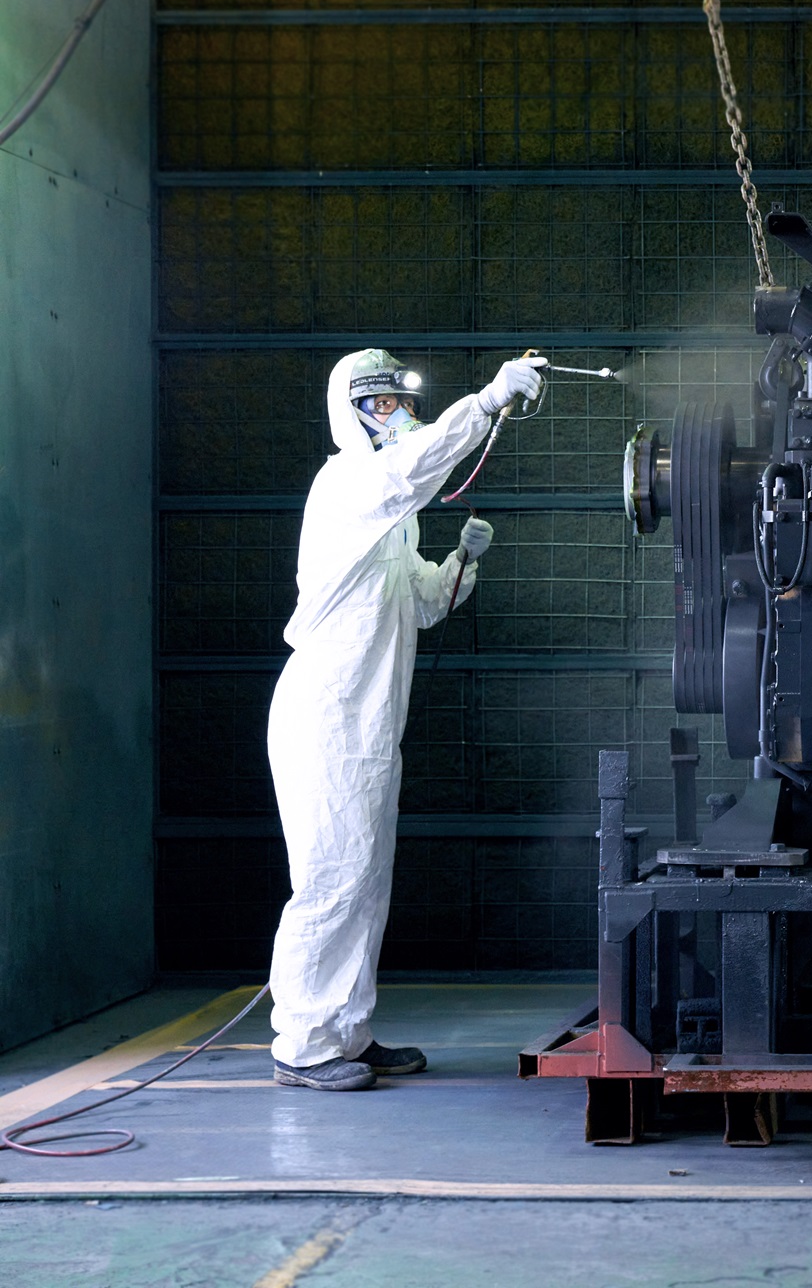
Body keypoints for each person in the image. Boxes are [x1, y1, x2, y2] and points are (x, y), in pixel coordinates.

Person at [265, 348, 544, 1091]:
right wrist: (485, 403)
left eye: (403, 403)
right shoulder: (348, 484)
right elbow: (412, 471)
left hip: (368, 724)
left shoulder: (394, 525)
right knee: (331, 880)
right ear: (351, 414)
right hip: (326, 716)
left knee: (365, 879)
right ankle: (303, 1044)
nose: (399, 416)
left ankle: (347, 1033)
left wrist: (461, 562)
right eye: (382, 405)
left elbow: (422, 603)